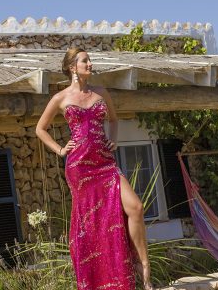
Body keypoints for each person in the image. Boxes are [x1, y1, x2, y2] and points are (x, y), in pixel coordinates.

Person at [36, 48, 153, 290]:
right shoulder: (60, 98)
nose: (90, 64)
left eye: (90, 60)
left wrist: (114, 140)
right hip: (79, 168)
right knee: (93, 225)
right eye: (85, 60)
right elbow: (40, 129)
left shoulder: (101, 93)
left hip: (104, 162)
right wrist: (59, 149)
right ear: (72, 67)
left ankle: (143, 266)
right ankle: (101, 281)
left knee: (135, 207)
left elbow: (113, 120)